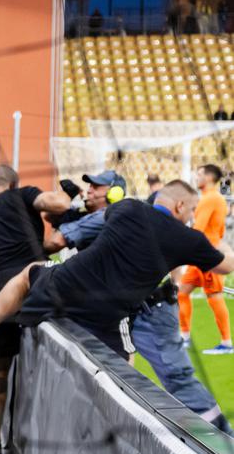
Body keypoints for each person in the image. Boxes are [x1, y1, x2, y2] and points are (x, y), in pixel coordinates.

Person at [0, 181, 234, 375]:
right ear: (181, 207)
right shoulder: (189, 238)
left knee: (26, 275)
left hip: (67, 284)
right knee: (122, 367)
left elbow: (107, 219)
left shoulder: (127, 207)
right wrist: (215, 237)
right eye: (192, 208)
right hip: (109, 308)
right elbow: (226, 266)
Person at [46, 171, 228, 432]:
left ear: (115, 192)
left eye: (97, 187)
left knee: (163, 374)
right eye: (89, 187)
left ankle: (217, 436)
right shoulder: (110, 216)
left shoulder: (127, 213)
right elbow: (57, 237)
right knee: (111, 369)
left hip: (147, 310)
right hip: (113, 311)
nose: (89, 191)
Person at [0, 164, 63, 454]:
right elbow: (57, 203)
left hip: (0, 295)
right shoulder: (23, 196)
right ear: (14, 183)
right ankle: (43, 446)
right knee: (51, 361)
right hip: (37, 288)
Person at [178, 164, 232, 354]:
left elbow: (199, 228)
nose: (196, 176)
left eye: (199, 174)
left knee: (214, 296)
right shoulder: (212, 198)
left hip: (207, 255)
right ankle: (184, 338)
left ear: (208, 177)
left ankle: (226, 343)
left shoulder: (211, 198)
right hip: (202, 253)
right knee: (183, 291)